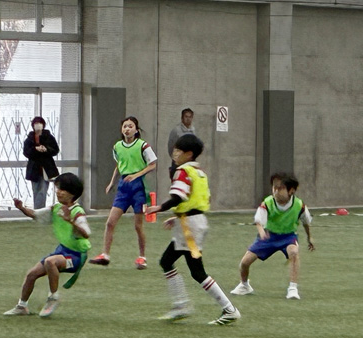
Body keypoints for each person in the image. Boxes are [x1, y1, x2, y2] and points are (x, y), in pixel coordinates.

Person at [146, 135, 240, 325]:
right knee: (168, 261)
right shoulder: (200, 173)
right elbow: (199, 201)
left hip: (189, 226)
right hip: (193, 222)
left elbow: (178, 197)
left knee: (195, 271)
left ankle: (227, 309)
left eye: (178, 150)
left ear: (189, 154)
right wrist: (178, 217)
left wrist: (159, 208)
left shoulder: (183, 171)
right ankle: (181, 305)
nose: (174, 154)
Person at [4, 172, 91, 318]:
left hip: (76, 256)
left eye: (62, 189)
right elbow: (35, 214)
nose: (58, 192)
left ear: (72, 194)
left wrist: (70, 221)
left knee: (51, 262)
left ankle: (53, 298)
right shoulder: (56, 208)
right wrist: (21, 208)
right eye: (58, 188)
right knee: (31, 274)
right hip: (62, 250)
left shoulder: (77, 212)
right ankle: (22, 306)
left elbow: (86, 233)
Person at [230, 172, 315, 300]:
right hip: (269, 237)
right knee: (244, 263)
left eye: (280, 188)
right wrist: (262, 232)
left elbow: (306, 223)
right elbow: (259, 221)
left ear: (291, 190)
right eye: (274, 188)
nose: (276, 191)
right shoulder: (268, 202)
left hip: (288, 237)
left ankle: (293, 288)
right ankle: (244, 285)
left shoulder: (299, 205)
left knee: (293, 252)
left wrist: (309, 238)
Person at [88, 116, 157, 269]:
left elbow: (152, 164)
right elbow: (119, 165)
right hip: (123, 187)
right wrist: (112, 182)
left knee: (138, 225)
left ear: (136, 130)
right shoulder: (117, 147)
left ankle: (142, 257)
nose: (127, 129)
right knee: (110, 222)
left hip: (138, 188)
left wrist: (136, 175)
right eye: (125, 126)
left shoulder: (143, 146)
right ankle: (105, 255)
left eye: (130, 126)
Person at [23, 116, 59, 209]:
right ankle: (38, 210)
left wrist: (46, 149)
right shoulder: (29, 139)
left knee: (42, 191)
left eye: (40, 123)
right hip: (34, 169)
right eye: (36, 123)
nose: (38, 125)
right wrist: (35, 149)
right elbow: (26, 152)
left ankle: (39, 210)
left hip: (46, 168)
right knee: (36, 190)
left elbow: (55, 150)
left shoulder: (49, 137)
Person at [167, 108, 195, 178]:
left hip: (189, 161)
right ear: (182, 118)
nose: (188, 119)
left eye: (190, 117)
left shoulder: (193, 130)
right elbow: (171, 146)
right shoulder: (176, 130)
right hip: (178, 161)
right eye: (186, 117)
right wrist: (176, 158)